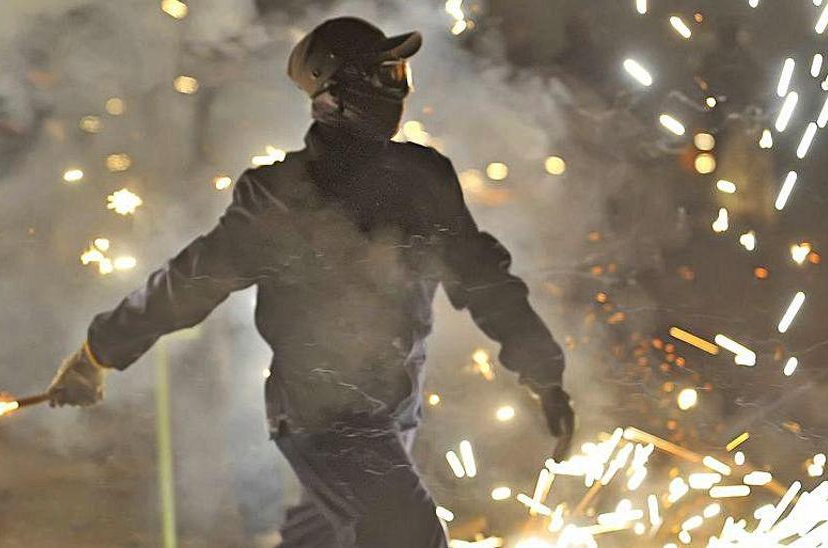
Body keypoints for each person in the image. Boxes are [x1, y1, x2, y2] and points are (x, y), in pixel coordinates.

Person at [46, 17, 574, 547]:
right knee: (408, 538)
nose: (398, 88)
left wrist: (542, 369)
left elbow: (483, 277)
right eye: (384, 75)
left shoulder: (424, 178)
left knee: (321, 538)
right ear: (336, 93)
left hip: (394, 408)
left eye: (400, 74)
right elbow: (188, 283)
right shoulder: (278, 197)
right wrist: (99, 351)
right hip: (324, 418)